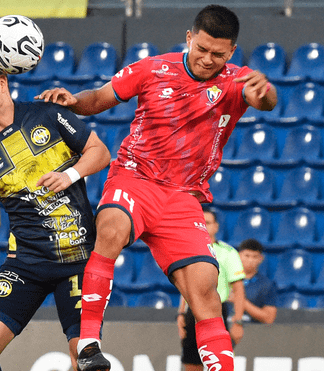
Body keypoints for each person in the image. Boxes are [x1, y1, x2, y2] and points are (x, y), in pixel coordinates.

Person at [38, 5, 277, 371]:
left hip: (183, 197)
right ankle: (88, 346)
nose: (208, 60)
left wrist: (267, 91)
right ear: (189, 39)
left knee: (205, 286)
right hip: (135, 178)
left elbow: (265, 101)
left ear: (231, 52)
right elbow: (99, 98)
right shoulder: (153, 68)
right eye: (202, 49)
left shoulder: (237, 80)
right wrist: (74, 102)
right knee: (111, 228)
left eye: (218, 54)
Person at [0, 53, 111, 371]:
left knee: (85, 360)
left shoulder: (47, 113)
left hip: (78, 262)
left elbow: (100, 152)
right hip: (26, 264)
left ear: (2, 82)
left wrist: (69, 175)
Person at [177, 206, 245, 371]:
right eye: (200, 222)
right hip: (192, 309)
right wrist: (180, 313)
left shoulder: (228, 253)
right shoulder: (188, 251)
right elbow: (185, 284)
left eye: (207, 222)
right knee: (192, 362)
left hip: (217, 310)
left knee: (219, 360)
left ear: (216, 226)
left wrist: (238, 320)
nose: (204, 226)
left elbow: (238, 288)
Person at [236, 238, 277, 324]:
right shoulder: (225, 279)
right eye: (247, 256)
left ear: (261, 258)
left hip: (253, 331)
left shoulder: (266, 285)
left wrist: (242, 301)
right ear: (238, 256)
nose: (250, 260)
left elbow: (269, 318)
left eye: (255, 256)